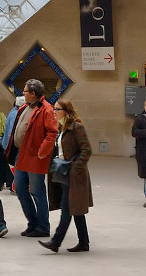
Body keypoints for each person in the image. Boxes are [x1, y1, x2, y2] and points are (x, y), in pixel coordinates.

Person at [4, 79, 58, 237]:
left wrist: (42, 151)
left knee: (37, 191)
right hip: (22, 154)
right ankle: (33, 223)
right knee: (20, 189)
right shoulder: (25, 107)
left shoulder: (46, 109)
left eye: (25, 91)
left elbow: (52, 133)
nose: (23, 93)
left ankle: (42, 227)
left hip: (35, 155)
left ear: (33, 93)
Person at [38, 99, 92, 253]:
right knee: (76, 208)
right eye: (54, 109)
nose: (54, 112)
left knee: (67, 208)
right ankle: (84, 242)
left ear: (66, 111)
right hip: (62, 172)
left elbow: (86, 150)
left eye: (57, 109)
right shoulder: (61, 128)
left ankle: (56, 241)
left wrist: (76, 167)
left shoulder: (76, 127)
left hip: (73, 174)